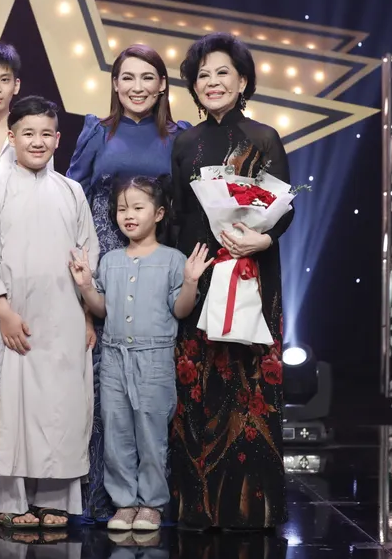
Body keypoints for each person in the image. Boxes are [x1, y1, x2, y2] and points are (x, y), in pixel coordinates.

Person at [168, 32, 293, 531]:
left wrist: (262, 240)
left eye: (223, 73)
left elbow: (283, 209)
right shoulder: (185, 142)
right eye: (203, 75)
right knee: (197, 382)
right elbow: (179, 214)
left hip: (252, 271)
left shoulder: (264, 137)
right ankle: (197, 508)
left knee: (249, 382)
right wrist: (186, 272)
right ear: (194, 87)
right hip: (201, 270)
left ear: (243, 81)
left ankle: (249, 510)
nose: (212, 82)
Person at [66, 43, 190, 521]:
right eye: (127, 78)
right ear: (115, 84)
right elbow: (73, 201)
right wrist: (82, 292)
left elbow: (189, 207)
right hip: (102, 267)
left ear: (163, 85)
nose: (137, 87)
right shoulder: (98, 131)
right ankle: (107, 497)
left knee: (152, 400)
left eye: (147, 77)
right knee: (107, 397)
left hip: (158, 272)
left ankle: (154, 499)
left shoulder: (179, 137)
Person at [0, 95, 97, 530]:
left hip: (64, 316)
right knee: (8, 407)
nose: (37, 142)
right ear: (12, 136)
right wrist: (2, 310)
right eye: (28, 133)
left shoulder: (72, 191)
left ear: (58, 139)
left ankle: (54, 498)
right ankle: (8, 500)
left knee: (61, 405)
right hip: (13, 318)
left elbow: (87, 256)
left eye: (46, 134)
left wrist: (88, 315)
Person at [69, 176, 212, 532]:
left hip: (155, 359)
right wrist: (86, 286)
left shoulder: (172, 259)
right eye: (122, 209)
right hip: (114, 357)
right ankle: (124, 504)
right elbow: (102, 309)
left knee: (151, 433)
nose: (128, 215)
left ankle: (150, 505)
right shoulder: (111, 260)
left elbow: (180, 310)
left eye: (137, 207)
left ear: (159, 213)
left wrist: (190, 281)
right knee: (116, 430)